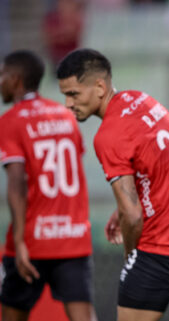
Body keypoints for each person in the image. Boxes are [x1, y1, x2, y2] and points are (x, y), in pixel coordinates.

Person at [56, 48, 169, 321]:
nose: (68, 104)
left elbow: (133, 216)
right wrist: (124, 208)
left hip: (162, 246)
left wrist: (132, 257)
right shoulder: (142, 100)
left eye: (73, 94)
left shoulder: (108, 135)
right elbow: (155, 166)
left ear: (99, 87)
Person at [0, 50, 96, 321]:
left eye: (2, 75)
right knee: (84, 317)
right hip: (72, 236)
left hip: (33, 240)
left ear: (16, 79)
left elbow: (17, 181)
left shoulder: (10, 121)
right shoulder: (65, 115)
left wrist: (19, 240)